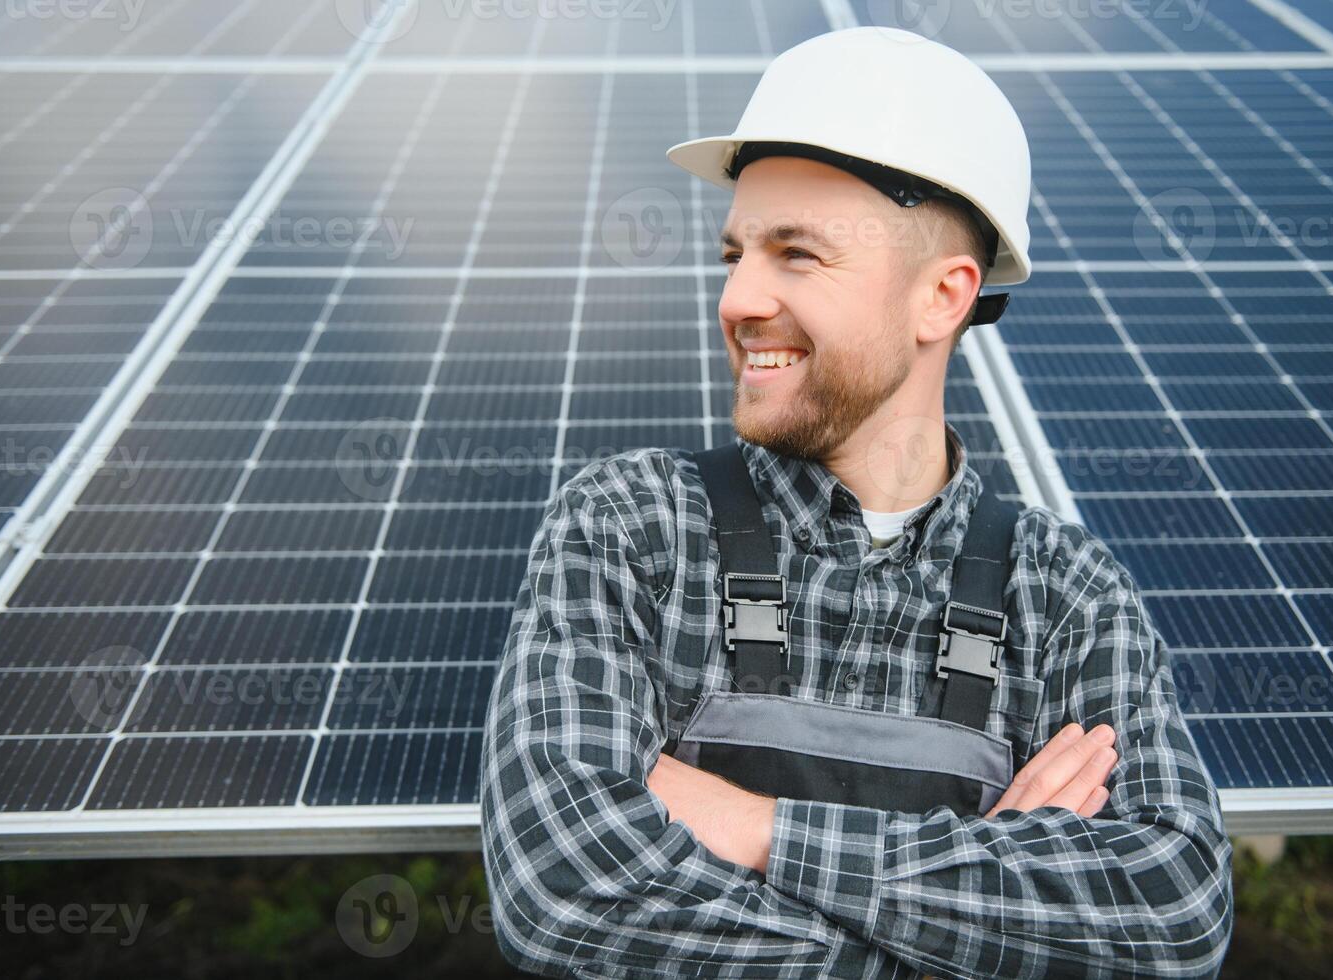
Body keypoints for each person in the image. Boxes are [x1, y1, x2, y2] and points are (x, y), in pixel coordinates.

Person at [480, 25, 1233, 979]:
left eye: (796, 254)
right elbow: (565, 888)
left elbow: (1169, 915)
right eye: (735, 254)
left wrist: (754, 828)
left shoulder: (1067, 594)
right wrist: (984, 916)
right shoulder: (632, 528)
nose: (737, 299)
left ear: (942, 299)